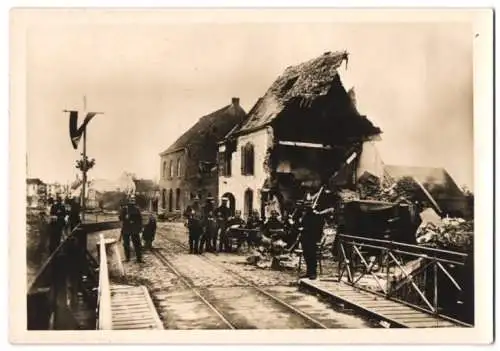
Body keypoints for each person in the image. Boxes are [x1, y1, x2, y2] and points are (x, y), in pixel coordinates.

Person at [298, 202, 334, 280]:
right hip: (305, 238)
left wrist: (306, 230)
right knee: (306, 256)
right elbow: (301, 225)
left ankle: (313, 273)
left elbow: (317, 229)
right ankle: (308, 272)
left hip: (312, 239)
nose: (305, 210)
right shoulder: (306, 216)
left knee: (312, 256)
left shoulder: (316, 217)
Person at [119, 195, 144, 263]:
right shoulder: (124, 209)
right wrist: (124, 217)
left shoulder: (137, 209)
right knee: (126, 244)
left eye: (133, 199)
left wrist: (140, 228)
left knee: (137, 244)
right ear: (128, 200)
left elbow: (140, 219)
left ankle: (139, 258)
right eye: (131, 199)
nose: (132, 200)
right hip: (126, 229)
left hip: (134, 229)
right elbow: (120, 218)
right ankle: (127, 258)